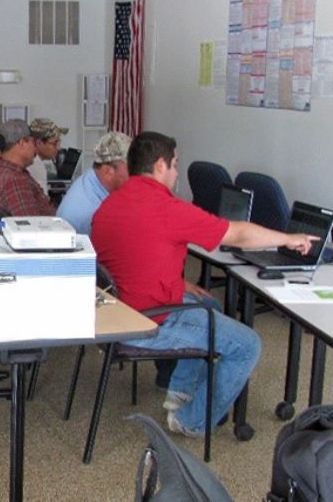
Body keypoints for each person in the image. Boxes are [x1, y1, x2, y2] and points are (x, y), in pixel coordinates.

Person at [91, 131, 317, 437]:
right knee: (247, 345)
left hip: (117, 312)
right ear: (160, 166)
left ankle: (180, 392)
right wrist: (290, 239)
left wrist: (180, 283)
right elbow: (236, 234)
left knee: (208, 303)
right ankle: (191, 421)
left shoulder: (111, 204)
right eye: (175, 165)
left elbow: (134, 257)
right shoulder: (165, 208)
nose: (176, 172)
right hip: (147, 322)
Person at [57, 131, 131, 235]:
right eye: (130, 167)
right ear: (108, 171)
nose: (135, 172)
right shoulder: (88, 212)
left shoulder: (91, 178)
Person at [0, 119, 56, 216]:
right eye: (33, 142)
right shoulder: (15, 181)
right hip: (51, 229)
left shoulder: (7, 173)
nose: (35, 148)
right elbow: (30, 227)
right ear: (22, 143)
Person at [27, 117, 68, 195]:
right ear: (39, 143)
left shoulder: (28, 159)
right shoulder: (35, 165)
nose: (59, 148)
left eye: (59, 142)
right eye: (54, 143)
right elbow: (43, 202)